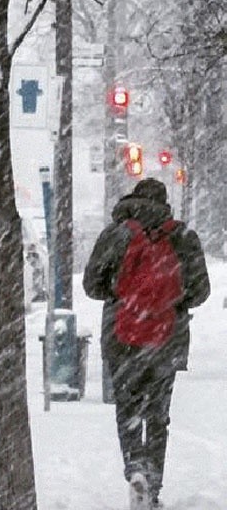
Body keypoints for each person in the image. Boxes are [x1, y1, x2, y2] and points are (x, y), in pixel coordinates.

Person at [84, 178, 211, 508]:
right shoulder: (181, 236)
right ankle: (152, 487)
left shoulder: (115, 234)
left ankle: (135, 466)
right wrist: (170, 303)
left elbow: (91, 286)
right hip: (166, 340)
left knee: (127, 410)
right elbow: (201, 291)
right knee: (158, 416)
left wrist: (123, 297)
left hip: (121, 335)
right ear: (165, 202)